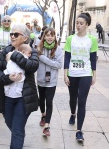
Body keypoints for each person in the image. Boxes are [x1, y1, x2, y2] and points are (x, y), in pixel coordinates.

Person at [0, 24, 39, 149]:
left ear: (25, 38)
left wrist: (14, 56)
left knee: (17, 129)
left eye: (16, 34)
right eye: (11, 34)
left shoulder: (31, 51)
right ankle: (19, 137)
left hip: (23, 98)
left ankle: (18, 138)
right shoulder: (6, 50)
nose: (12, 36)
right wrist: (8, 78)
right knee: (10, 122)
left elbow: (33, 66)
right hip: (7, 96)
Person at [64, 12, 98, 142]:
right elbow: (67, 57)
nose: (78, 25)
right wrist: (65, 74)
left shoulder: (92, 40)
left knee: (82, 101)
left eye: (81, 23)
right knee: (73, 98)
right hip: (72, 73)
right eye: (77, 23)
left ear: (87, 25)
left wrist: (94, 75)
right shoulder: (70, 39)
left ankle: (79, 131)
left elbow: (93, 59)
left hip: (85, 73)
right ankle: (73, 113)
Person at [36, 28, 63, 137]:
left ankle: (47, 125)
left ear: (54, 37)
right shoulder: (39, 48)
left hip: (52, 81)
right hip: (41, 79)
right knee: (41, 100)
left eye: (52, 35)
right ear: (44, 37)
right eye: (47, 35)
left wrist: (42, 58)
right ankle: (43, 115)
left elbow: (59, 65)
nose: (50, 37)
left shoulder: (58, 49)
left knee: (49, 102)